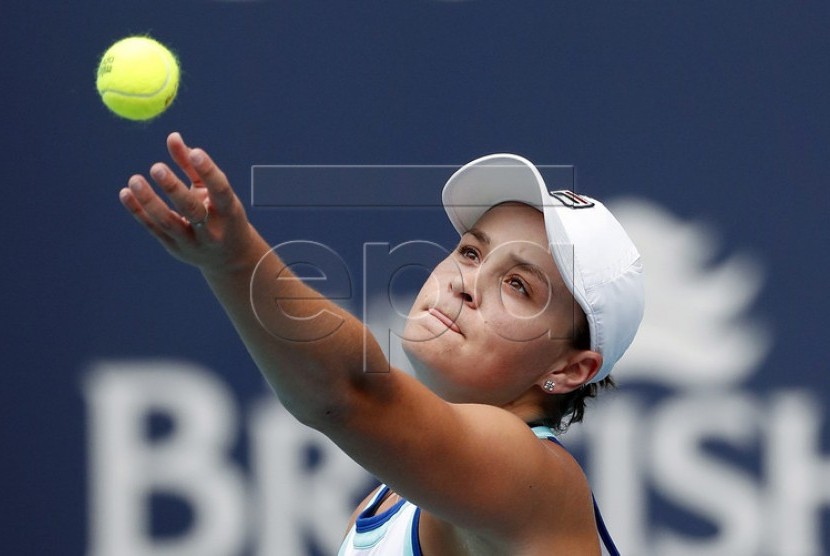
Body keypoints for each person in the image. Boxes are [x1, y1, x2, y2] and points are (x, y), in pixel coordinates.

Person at [119, 132, 644, 556]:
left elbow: (351, 393)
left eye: (518, 285)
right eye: (469, 252)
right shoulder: (383, 507)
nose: (466, 281)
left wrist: (236, 259)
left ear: (572, 368)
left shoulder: (535, 483)